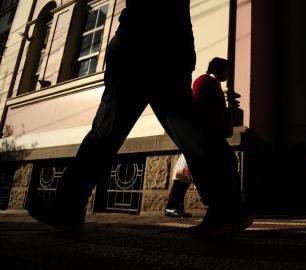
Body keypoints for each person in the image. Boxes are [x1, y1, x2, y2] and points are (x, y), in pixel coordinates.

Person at [28, 1, 252, 237]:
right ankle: (228, 205)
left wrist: (124, 36)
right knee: (185, 126)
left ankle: (68, 207)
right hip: (172, 40)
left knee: (107, 129)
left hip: (142, 39)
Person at [165, 57, 233, 218]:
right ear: (220, 69)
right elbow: (196, 104)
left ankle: (175, 205)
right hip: (202, 134)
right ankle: (174, 206)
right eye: (227, 70)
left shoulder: (213, 84)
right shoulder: (204, 81)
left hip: (209, 134)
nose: (229, 74)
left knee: (187, 171)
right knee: (187, 170)